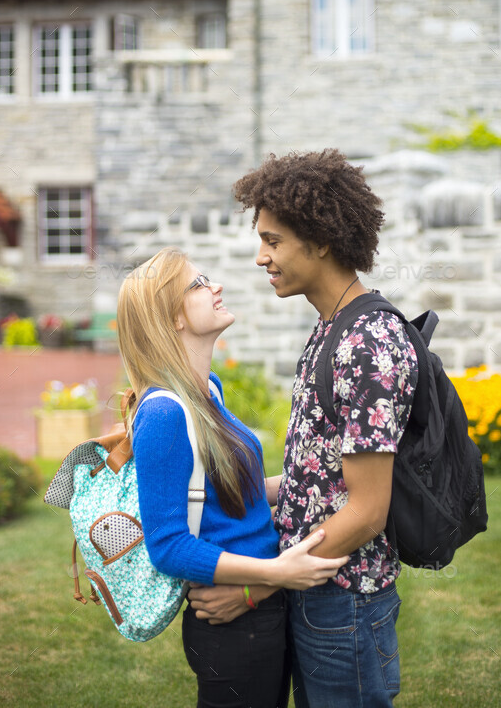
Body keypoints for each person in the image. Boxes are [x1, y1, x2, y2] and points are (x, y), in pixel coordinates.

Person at [188, 149, 419, 708]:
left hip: (345, 603)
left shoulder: (367, 342)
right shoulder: (332, 327)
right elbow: (321, 478)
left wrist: (257, 586)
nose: (260, 257)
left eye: (273, 241)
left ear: (319, 240)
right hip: (315, 592)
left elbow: (366, 510)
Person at [116, 246, 348, 708]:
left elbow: (230, 494)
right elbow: (168, 544)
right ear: (173, 318)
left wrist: (318, 478)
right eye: (199, 284)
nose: (215, 286)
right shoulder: (163, 413)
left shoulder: (209, 391)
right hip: (230, 625)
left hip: (259, 607)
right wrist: (276, 572)